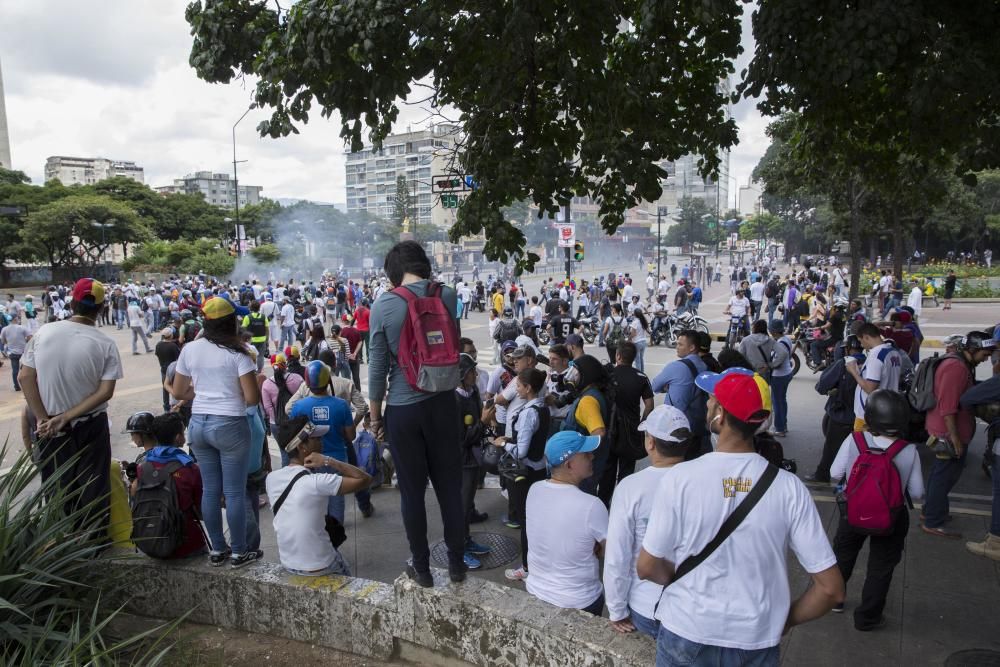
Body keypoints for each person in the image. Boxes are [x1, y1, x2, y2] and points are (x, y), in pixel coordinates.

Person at [637, 369, 844, 664]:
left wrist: (684, 580)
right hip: (756, 640)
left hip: (687, 629)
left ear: (720, 415)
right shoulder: (789, 488)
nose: (707, 404)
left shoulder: (681, 478)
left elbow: (646, 566)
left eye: (711, 400)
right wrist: (785, 620)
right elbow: (831, 589)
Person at [368, 241, 467, 586]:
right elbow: (452, 340)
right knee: (450, 488)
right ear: (424, 265)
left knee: (412, 493)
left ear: (393, 272)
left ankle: (422, 568)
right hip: (442, 403)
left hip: (403, 409)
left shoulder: (384, 304)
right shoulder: (448, 295)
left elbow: (377, 368)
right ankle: (457, 564)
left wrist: (376, 417)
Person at [18, 279, 123, 536]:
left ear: (72, 302)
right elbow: (105, 392)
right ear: (101, 308)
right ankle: (93, 544)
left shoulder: (44, 332)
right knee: (93, 485)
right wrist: (68, 417)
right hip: (90, 424)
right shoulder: (105, 343)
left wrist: (45, 419)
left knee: (57, 487)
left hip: (49, 427)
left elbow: (24, 377)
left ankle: (61, 541)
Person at [169, 296, 261, 568]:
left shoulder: (190, 349)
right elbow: (252, 398)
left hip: (198, 423)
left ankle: (218, 550)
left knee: (210, 490)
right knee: (233, 492)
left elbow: (177, 391)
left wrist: (205, 389)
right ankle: (239, 552)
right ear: (232, 321)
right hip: (230, 424)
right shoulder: (239, 353)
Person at [829, 389, 923, 631]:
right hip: (891, 517)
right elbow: (917, 493)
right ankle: (867, 618)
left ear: (870, 418)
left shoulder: (855, 440)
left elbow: (835, 473)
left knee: (844, 555)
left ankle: (835, 601)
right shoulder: (908, 450)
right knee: (881, 567)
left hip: (853, 510)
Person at [604, 405, 691, 638]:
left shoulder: (631, 487)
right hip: (693, 604)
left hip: (646, 603)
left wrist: (616, 608)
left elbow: (617, 555)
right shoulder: (703, 481)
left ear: (650, 442)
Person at [266, 416, 373, 576]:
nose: (321, 440)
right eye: (315, 438)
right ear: (302, 447)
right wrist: (329, 461)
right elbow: (365, 479)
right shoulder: (316, 482)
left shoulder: (271, 479)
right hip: (321, 565)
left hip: (288, 563)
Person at [523, 431, 609, 616]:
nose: (592, 456)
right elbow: (610, 552)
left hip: (536, 591)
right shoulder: (592, 505)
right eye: (586, 454)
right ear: (570, 464)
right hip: (579, 601)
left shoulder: (534, 490)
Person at [921, 331, 995, 539]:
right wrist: (954, 438)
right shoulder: (956, 368)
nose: (986, 359)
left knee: (942, 474)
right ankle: (933, 521)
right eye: (984, 354)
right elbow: (947, 406)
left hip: (947, 430)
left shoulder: (961, 364)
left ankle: (932, 512)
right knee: (944, 476)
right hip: (947, 432)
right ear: (972, 349)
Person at [496, 368, 550, 582]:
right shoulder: (542, 407)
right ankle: (539, 562)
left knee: (527, 521)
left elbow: (523, 451)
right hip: (539, 470)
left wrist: (502, 444)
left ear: (528, 388)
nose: (516, 388)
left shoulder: (528, 413)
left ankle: (527, 567)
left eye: (518, 385)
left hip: (524, 474)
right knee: (537, 519)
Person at [131, 412, 208, 559]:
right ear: (179, 438)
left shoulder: (142, 467)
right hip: (187, 544)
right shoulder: (189, 469)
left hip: (150, 542)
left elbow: (134, 496)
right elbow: (201, 510)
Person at [596, 342, 654, 506]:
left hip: (609, 430)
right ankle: (622, 506)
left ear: (618, 356)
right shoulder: (641, 377)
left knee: (607, 472)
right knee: (626, 472)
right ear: (633, 358)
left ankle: (603, 506)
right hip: (631, 432)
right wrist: (642, 424)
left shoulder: (607, 374)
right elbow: (649, 405)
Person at [808, 335, 864, 483]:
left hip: (842, 415)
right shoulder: (870, 362)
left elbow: (822, 385)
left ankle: (822, 475)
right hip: (863, 417)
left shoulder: (844, 363)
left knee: (831, 447)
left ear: (848, 348)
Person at [456, 353, 492, 569]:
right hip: (462, 461)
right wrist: (483, 422)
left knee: (467, 504)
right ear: (461, 375)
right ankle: (458, 549)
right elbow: (461, 439)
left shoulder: (473, 391)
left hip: (474, 456)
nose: (475, 375)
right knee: (460, 506)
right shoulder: (453, 399)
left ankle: (466, 540)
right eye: (471, 371)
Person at [559, 354, 610, 495]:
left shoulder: (588, 401)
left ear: (586, 376)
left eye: (576, 373)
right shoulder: (591, 393)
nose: (572, 377)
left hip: (580, 470)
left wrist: (582, 453)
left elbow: (599, 433)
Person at [846, 323, 910, 432]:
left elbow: (870, 388)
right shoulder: (894, 352)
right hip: (888, 410)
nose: (861, 345)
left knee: (863, 446)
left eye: (861, 341)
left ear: (866, 337)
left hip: (869, 413)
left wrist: (853, 372)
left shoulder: (876, 355)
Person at [261, 353, 305, 467]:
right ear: (285, 364)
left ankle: (286, 480)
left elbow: (267, 407)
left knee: (284, 454)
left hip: (277, 424)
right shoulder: (297, 378)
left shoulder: (266, 384)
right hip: (297, 421)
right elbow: (303, 398)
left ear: (272, 366)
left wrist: (277, 420)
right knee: (300, 451)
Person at [768, 320, 794, 437]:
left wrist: (770, 365)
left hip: (779, 375)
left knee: (777, 402)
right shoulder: (786, 339)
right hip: (787, 373)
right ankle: (784, 425)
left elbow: (780, 358)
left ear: (773, 331)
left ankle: (779, 429)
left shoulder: (780, 343)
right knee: (782, 400)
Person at [154, 328, 181, 413]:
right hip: (173, 371)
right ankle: (176, 405)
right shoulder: (172, 346)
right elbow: (179, 358)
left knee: (165, 388)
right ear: (170, 335)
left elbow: (157, 354)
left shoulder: (158, 345)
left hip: (163, 369)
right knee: (175, 387)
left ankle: (166, 407)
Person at [1, 315, 28, 391]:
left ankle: (16, 386)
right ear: (16, 319)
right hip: (23, 352)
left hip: (12, 353)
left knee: (15, 370)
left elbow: (3, 341)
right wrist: (24, 342)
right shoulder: (22, 328)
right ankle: (26, 385)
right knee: (25, 370)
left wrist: (9, 343)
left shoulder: (4, 329)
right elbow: (30, 338)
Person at [242, 301, 270, 371]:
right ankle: (259, 370)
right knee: (261, 356)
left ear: (251, 308)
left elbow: (243, 330)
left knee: (251, 356)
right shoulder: (264, 317)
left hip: (251, 341)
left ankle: (252, 370)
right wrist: (267, 340)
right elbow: (267, 329)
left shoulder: (247, 317)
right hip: (262, 340)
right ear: (259, 308)